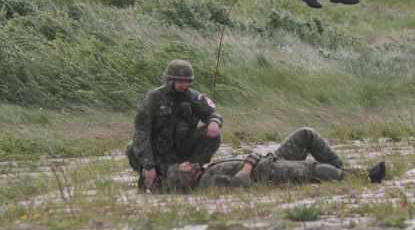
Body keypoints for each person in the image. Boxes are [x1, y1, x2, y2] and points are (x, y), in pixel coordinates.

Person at [165, 127, 386, 192]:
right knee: (314, 170)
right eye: (183, 167)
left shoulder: (205, 173)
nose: (186, 163)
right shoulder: (207, 182)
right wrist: (250, 163)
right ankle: (365, 177)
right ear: (186, 178)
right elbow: (238, 185)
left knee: (305, 135)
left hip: (270, 162)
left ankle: (341, 172)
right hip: (269, 173)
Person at [126, 59, 222, 191]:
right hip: (159, 152)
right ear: (170, 80)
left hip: (184, 149)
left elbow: (211, 113)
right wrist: (149, 166)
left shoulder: (193, 97)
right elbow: (141, 135)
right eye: (179, 81)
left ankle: (191, 167)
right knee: (164, 188)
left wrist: (214, 121)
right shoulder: (153, 99)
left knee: (213, 134)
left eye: (186, 81)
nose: (183, 85)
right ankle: (153, 174)